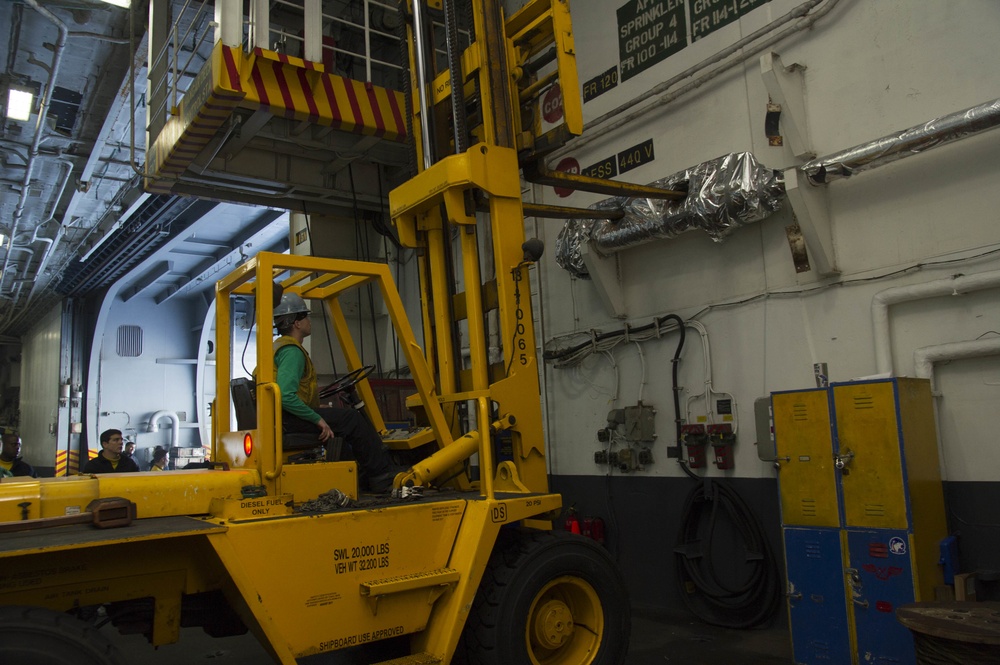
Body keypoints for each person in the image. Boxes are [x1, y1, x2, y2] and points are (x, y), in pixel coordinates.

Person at [272, 292, 398, 492]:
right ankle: (382, 476)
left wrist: (315, 409)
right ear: (296, 323)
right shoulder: (292, 352)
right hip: (288, 418)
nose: (309, 321)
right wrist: (317, 419)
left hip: (281, 418)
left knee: (342, 420)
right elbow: (286, 396)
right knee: (352, 419)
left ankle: (360, 477)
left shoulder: (277, 348)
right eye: (306, 316)